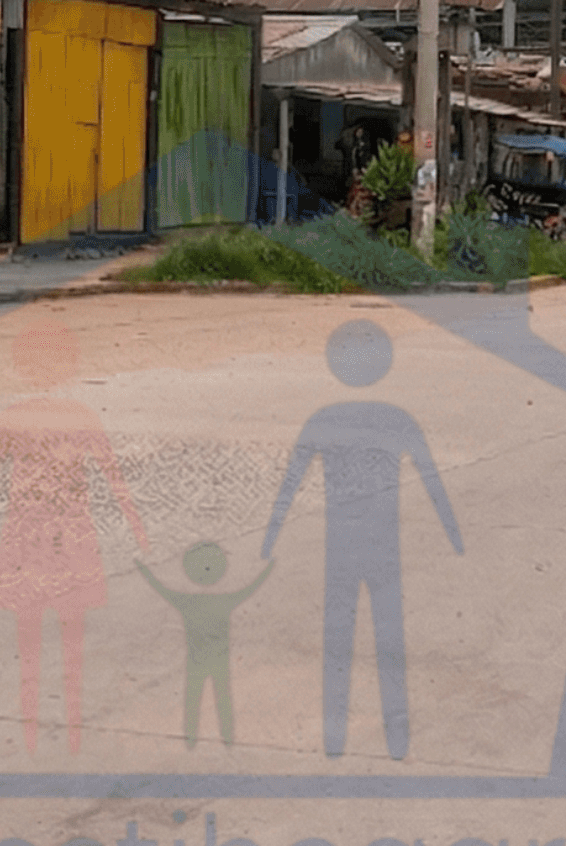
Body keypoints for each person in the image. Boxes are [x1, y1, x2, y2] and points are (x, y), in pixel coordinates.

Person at [263, 321, 463, 760]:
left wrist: (270, 536)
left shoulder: (324, 418)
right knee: (389, 636)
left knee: (338, 637)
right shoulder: (397, 418)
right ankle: (397, 740)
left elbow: (291, 482)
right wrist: (453, 533)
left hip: (341, 545)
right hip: (382, 544)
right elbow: (432, 481)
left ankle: (335, 739)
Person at [0, 321, 150, 755]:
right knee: (67, 640)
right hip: (62, 535)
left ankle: (35, 736)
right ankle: (69, 736)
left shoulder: (16, 417)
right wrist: (138, 528)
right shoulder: (78, 416)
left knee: (32, 643)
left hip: (32, 535)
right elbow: (115, 480)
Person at [137, 541, 274, 750]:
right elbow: (250, 589)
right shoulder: (224, 601)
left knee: (193, 700)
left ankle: (191, 742)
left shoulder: (187, 602)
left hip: (196, 662)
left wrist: (142, 568)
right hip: (219, 661)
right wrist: (269, 569)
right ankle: (227, 740)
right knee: (222, 699)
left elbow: (161, 589)